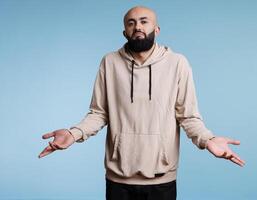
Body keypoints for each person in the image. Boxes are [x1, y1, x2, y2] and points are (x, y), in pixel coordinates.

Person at [38, 6, 245, 200]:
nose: (137, 26)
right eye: (131, 23)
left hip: (161, 178)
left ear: (156, 29)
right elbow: (99, 113)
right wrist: (73, 134)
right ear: (125, 32)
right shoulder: (109, 62)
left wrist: (208, 139)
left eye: (144, 22)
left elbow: (188, 116)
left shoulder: (177, 63)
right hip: (118, 179)